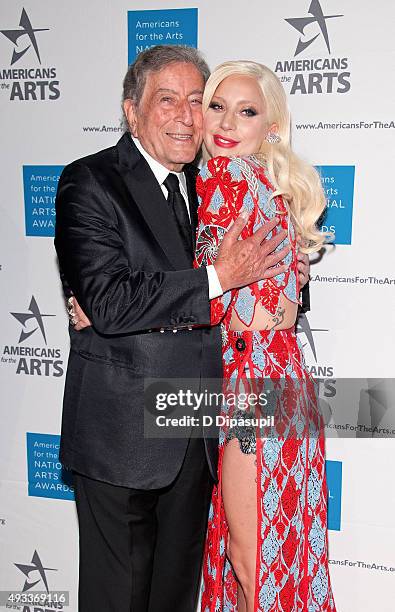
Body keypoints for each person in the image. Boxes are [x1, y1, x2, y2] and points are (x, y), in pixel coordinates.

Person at [54, 46, 308, 612]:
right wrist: (219, 276)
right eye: (167, 100)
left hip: (197, 432)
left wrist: (279, 278)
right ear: (131, 111)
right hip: (122, 438)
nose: (189, 116)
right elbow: (111, 300)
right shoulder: (90, 181)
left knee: (176, 598)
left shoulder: (215, 181)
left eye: (198, 101)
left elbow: (274, 283)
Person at [194, 61, 336, 611]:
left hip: (247, 389)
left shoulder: (223, 180)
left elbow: (203, 300)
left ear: (270, 126)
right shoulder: (270, 187)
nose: (227, 123)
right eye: (217, 106)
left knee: (247, 560)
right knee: (281, 556)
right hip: (285, 380)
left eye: (246, 111)